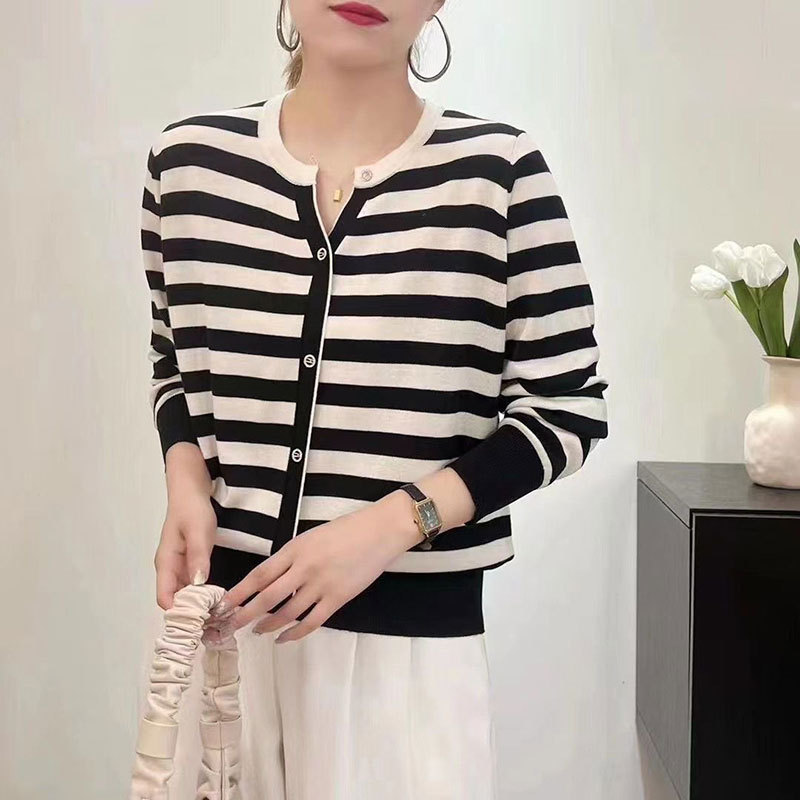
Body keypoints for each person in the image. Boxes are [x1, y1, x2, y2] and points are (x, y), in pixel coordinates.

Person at [139, 1, 610, 797]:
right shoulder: (187, 166)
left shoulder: (499, 175)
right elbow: (176, 358)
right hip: (221, 637)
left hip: (407, 665)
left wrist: (395, 524)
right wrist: (185, 484)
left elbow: (567, 409)